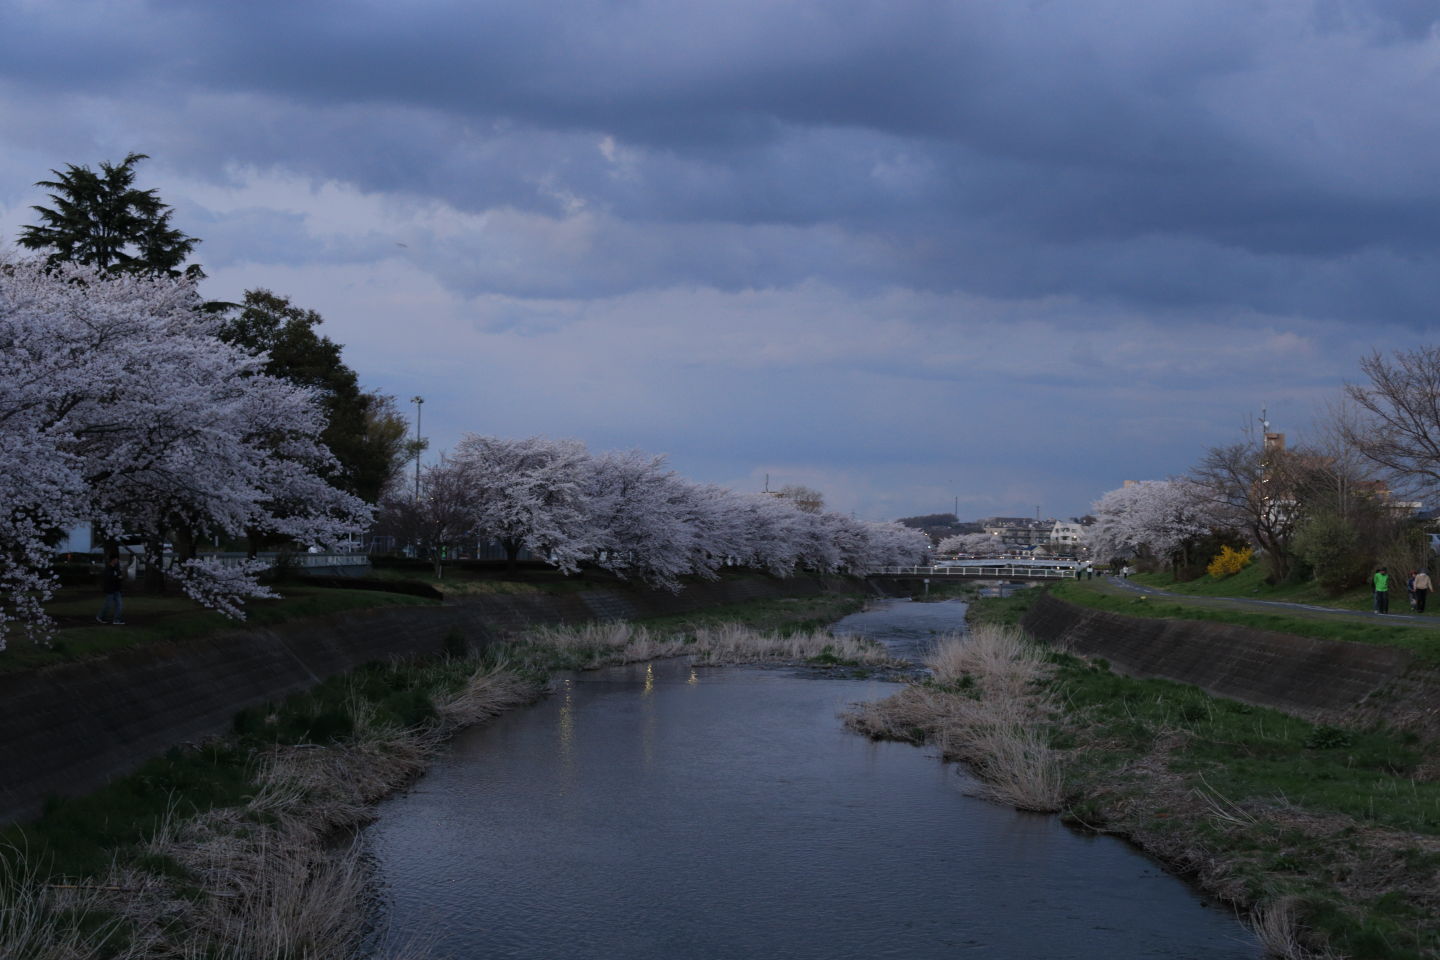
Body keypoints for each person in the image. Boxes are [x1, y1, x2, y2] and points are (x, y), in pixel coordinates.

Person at [97, 555, 126, 625]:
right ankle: (101, 616)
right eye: (116, 559)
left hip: (117, 589)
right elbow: (109, 579)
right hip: (110, 590)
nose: (117, 561)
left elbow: (120, 576)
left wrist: (119, 578)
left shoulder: (116, 568)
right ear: (112, 560)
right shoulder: (108, 569)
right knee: (108, 605)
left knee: (119, 604)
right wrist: (117, 578)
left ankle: (117, 619)